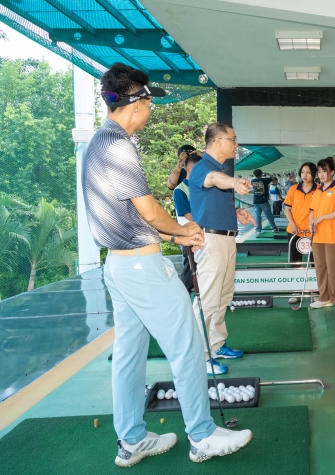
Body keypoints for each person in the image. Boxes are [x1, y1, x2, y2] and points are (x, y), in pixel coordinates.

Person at [82, 62, 252, 467]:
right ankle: (203, 434)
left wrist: (170, 232)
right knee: (189, 345)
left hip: (117, 266)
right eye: (149, 102)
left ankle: (132, 440)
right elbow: (147, 209)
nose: (151, 109)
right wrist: (180, 233)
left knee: (128, 355)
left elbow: (124, 215)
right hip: (142, 268)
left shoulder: (96, 142)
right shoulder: (120, 146)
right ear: (136, 102)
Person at [189, 122, 255, 375]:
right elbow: (215, 181)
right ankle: (201, 355)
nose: (236, 145)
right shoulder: (203, 168)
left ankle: (216, 344)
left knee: (223, 295)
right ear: (217, 142)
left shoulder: (221, 169)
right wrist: (234, 182)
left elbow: (215, 195)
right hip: (211, 241)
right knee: (208, 298)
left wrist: (236, 211)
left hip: (227, 239)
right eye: (233, 140)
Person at [309, 157, 335, 309]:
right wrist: (311, 222)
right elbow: (311, 211)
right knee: (320, 267)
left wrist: (323, 217)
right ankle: (324, 297)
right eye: (319, 172)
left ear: (332, 172)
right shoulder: (317, 191)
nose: (321, 175)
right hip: (317, 235)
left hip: (332, 235)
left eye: (324, 171)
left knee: (333, 267)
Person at [173, 151, 202, 293]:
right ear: (189, 169)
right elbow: (188, 215)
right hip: (188, 236)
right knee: (189, 268)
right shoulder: (180, 190)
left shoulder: (202, 187)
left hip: (202, 233)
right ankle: (181, 294)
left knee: (199, 267)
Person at [284, 162, 318, 264]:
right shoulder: (293, 189)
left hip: (313, 232)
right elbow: (287, 209)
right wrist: (293, 225)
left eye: (308, 172)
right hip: (295, 231)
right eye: (303, 172)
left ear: (314, 174)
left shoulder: (319, 190)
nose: (305, 175)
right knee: (295, 262)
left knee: (314, 263)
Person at [251, 168, 278, 233]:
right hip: (263, 201)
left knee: (257, 216)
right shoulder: (265, 180)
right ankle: (274, 228)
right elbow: (274, 178)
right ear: (261, 174)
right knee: (269, 215)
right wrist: (269, 174)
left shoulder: (252, 181)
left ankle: (258, 230)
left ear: (254, 175)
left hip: (255, 201)